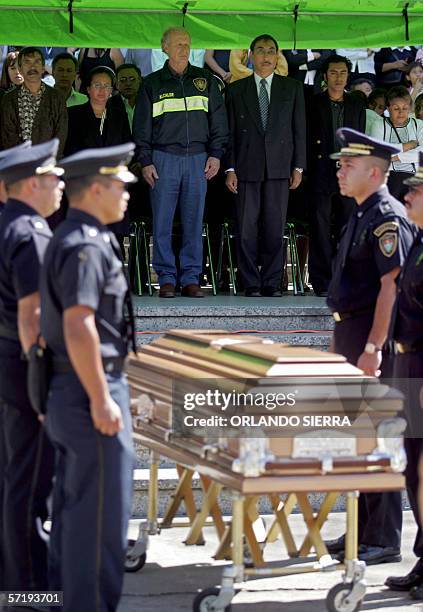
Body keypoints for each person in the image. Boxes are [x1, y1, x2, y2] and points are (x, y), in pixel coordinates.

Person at [40, 143, 136, 612]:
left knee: (77, 512)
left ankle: (65, 599)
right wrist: (102, 397)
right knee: (99, 521)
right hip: (87, 390)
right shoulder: (84, 244)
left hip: (73, 388)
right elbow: (80, 325)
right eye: (120, 186)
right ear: (95, 188)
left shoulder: (77, 236)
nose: (126, 195)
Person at [326, 127, 416, 565]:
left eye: (349, 165)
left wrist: (374, 346)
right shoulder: (362, 211)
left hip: (369, 338)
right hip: (352, 335)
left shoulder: (386, 216)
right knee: (360, 441)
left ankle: (381, 537)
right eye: (340, 164)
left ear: (376, 172)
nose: (340, 171)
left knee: (378, 438)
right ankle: (359, 531)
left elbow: (391, 286)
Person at [0, 139, 64, 596]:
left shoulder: (8, 225)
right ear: (30, 184)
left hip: (7, 361)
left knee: (14, 472)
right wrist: (42, 387)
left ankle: (13, 577)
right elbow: (32, 317)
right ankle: (30, 588)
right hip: (24, 368)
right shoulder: (31, 231)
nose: (59, 184)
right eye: (52, 177)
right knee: (31, 477)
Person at [133, 27, 228, 298]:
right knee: (161, 223)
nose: (184, 49)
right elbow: (141, 128)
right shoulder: (152, 83)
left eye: (187, 44)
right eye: (178, 44)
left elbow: (218, 122)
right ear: (164, 47)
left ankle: (190, 278)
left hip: (198, 159)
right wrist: (146, 161)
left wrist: (216, 154)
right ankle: (165, 278)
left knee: (193, 222)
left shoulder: (205, 80)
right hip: (163, 159)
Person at [225, 33, 306, 297]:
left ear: (277, 55)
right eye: (260, 50)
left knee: (274, 227)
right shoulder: (236, 89)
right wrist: (230, 168)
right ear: (250, 56)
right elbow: (231, 133)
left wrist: (299, 167)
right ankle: (250, 281)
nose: (266, 55)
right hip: (246, 167)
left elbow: (299, 131)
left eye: (271, 50)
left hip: (280, 167)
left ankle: (271, 281)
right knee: (246, 228)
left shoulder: (292, 88)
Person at [384, 157, 423, 599]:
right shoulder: (417, 239)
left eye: (415, 191)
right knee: (413, 468)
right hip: (410, 365)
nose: (408, 196)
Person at [307, 53, 366, 296]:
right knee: (320, 227)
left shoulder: (356, 103)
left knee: (346, 227)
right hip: (320, 172)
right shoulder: (313, 102)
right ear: (324, 76)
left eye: (343, 72)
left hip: (349, 175)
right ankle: (321, 281)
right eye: (333, 72)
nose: (338, 77)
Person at [0, 46, 68, 157]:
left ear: (43, 68)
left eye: (37, 61)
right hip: (18, 164)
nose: (32, 66)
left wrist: (47, 160)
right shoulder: (9, 99)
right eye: (27, 62)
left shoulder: (57, 97)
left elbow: (61, 135)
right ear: (20, 69)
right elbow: (8, 136)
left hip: (49, 163)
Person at [366, 85, 423, 202]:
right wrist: (407, 146)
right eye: (396, 108)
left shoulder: (418, 125)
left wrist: (396, 157)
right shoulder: (379, 124)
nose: (401, 112)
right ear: (388, 108)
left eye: (405, 108)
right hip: (387, 178)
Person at [65, 66, 131, 155]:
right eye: (97, 85)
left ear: (111, 90)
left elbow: (127, 146)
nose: (102, 90)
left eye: (106, 86)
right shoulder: (73, 114)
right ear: (88, 89)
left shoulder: (120, 115)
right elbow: (68, 147)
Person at [114, 63, 142, 129]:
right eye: (123, 80)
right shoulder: (109, 105)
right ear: (116, 84)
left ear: (140, 80)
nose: (128, 83)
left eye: (132, 79)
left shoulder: (150, 102)